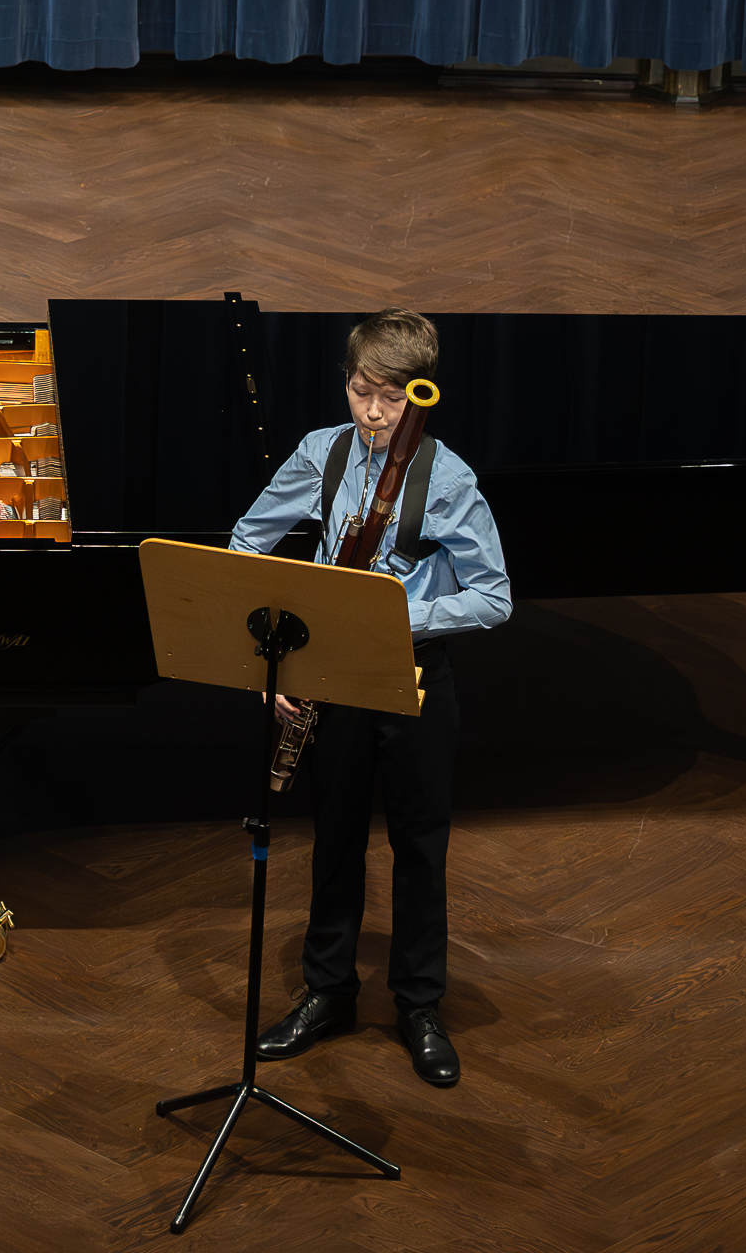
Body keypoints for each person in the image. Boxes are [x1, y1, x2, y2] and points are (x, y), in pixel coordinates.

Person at [227, 308, 511, 1086]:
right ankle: (328, 992)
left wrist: (393, 617)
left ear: (419, 394)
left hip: (415, 677)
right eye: (361, 392)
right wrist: (273, 658)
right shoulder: (321, 453)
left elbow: (494, 597)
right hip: (334, 677)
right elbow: (248, 543)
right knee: (336, 837)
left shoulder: (448, 479)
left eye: (391, 397)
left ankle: (420, 1004)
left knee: (419, 846)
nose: (374, 413)